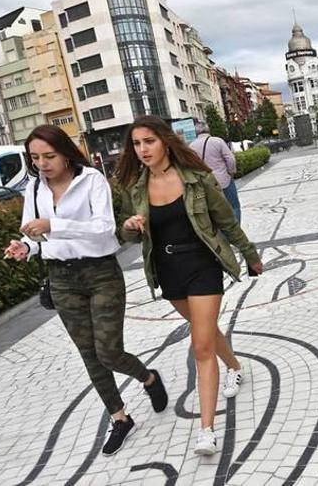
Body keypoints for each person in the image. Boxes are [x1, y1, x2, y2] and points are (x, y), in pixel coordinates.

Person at [4, 125, 168, 457]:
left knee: (108, 351)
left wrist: (53, 225)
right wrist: (25, 247)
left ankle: (148, 378)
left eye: (49, 156)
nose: (42, 164)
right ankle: (120, 417)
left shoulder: (91, 180)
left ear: (65, 152)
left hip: (100, 274)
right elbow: (36, 238)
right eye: (35, 157)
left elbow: (103, 229)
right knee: (90, 355)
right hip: (62, 279)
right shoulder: (34, 188)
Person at [116, 116, 263, 456]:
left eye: (148, 141)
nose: (142, 150)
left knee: (200, 346)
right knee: (206, 331)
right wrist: (129, 226)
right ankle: (236, 367)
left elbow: (226, 220)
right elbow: (122, 234)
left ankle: (207, 431)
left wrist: (250, 254)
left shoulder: (197, 179)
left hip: (202, 264)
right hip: (168, 271)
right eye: (137, 144)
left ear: (165, 141)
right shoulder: (136, 188)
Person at [189, 122, 241, 223]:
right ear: (208, 130)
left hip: (206, 184)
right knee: (234, 206)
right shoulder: (218, 141)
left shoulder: (191, 146)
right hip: (224, 181)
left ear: (196, 133)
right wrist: (231, 172)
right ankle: (236, 232)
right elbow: (230, 159)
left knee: (215, 211)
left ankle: (222, 235)